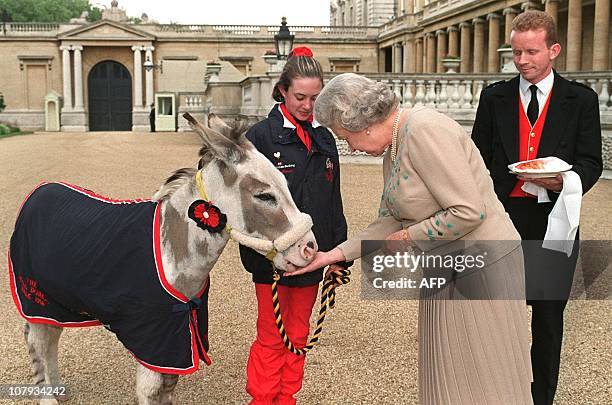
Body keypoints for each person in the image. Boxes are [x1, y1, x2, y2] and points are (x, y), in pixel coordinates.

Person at [288, 72, 533, 404]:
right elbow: (389, 219)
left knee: (484, 379)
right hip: (447, 266)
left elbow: (468, 211)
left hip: (482, 269)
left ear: (365, 124)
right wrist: (334, 255)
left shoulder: (424, 130)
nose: (351, 147)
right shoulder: (395, 144)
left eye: (346, 137)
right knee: (448, 375)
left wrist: (411, 235)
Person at [471, 10, 602, 405]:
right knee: (496, 316)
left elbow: (590, 162)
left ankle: (540, 398)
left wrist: (563, 181)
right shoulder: (494, 96)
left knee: (547, 320)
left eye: (531, 52)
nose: (522, 60)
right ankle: (497, 392)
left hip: (554, 222)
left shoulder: (581, 100)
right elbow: (478, 157)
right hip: (502, 220)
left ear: (554, 50)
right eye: (516, 52)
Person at [239, 46, 351, 405]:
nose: (307, 105)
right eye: (300, 96)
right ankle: (263, 399)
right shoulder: (259, 139)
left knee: (299, 334)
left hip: (313, 257)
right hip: (273, 260)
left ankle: (286, 399)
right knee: (272, 334)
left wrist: (338, 256)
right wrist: (264, 255)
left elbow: (333, 202)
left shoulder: (324, 138)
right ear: (282, 91)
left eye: (315, 98)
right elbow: (246, 208)